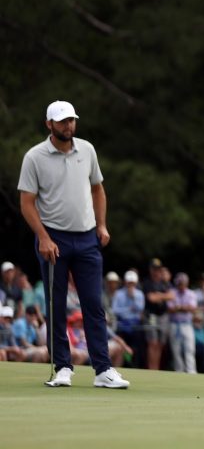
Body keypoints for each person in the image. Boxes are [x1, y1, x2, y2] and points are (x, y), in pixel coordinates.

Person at [17, 100, 130, 388]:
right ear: (49, 124)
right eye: (62, 121)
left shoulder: (87, 150)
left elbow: (98, 189)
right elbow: (27, 203)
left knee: (94, 304)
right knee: (56, 306)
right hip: (53, 239)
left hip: (87, 238)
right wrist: (42, 237)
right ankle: (63, 367)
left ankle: (103, 369)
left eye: (71, 120)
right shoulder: (34, 157)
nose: (68, 125)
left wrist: (102, 225)